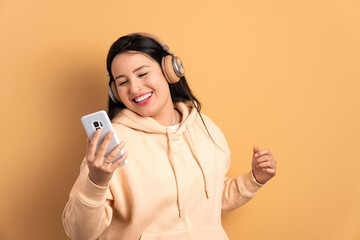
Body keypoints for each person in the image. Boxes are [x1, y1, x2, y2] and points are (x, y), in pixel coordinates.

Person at [62, 32, 277, 240]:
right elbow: (79, 233)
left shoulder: (206, 129)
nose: (135, 88)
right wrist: (96, 183)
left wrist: (254, 179)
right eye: (122, 82)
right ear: (115, 92)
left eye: (142, 74)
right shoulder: (112, 143)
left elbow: (210, 203)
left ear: (170, 71)